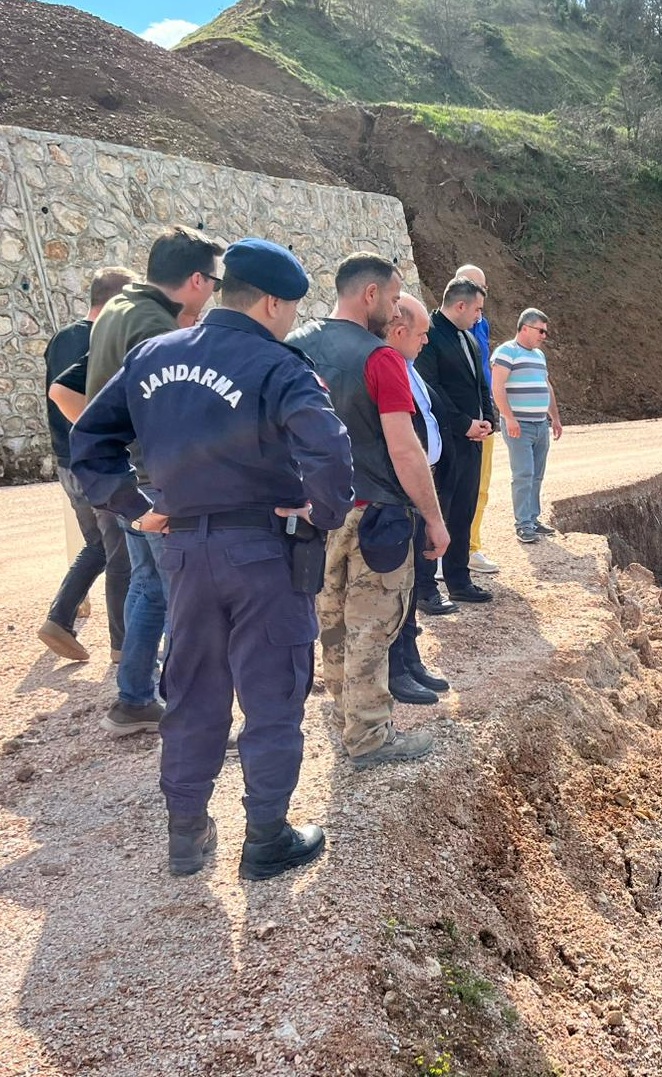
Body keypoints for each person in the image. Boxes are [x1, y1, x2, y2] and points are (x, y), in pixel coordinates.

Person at [69, 237, 355, 881]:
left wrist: (135, 507)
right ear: (274, 302)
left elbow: (89, 441)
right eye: (290, 308)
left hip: (183, 551)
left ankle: (186, 838)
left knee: (193, 694)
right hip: (263, 554)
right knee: (273, 694)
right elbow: (330, 453)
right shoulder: (279, 366)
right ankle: (266, 840)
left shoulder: (153, 354)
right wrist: (320, 513)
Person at [288, 255, 447, 768]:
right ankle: (369, 735)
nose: (398, 307)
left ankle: (345, 724)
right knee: (372, 628)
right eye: (396, 295)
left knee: (330, 622)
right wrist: (435, 518)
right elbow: (404, 450)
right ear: (371, 295)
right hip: (374, 514)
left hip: (313, 515)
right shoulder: (381, 360)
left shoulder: (295, 347)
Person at [84, 226, 225, 738]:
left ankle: (134, 700)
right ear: (194, 279)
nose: (214, 291)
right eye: (213, 280)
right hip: (159, 488)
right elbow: (167, 417)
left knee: (149, 590)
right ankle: (193, 717)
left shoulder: (121, 307)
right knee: (187, 605)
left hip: (132, 483)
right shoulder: (153, 327)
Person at [38, 266, 135, 662]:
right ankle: (123, 646)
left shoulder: (62, 337)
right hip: (96, 460)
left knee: (98, 544)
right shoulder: (104, 338)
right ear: (119, 301)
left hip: (66, 461)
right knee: (122, 554)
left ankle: (59, 618)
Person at [382, 296, 455, 706]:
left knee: (411, 586)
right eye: (423, 333)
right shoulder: (385, 367)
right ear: (399, 331)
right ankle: (396, 667)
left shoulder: (408, 368)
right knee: (396, 589)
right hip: (398, 492)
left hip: (417, 487)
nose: (427, 341)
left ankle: (410, 659)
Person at [414, 277, 494, 611]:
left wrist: (487, 419)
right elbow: (431, 389)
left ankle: (459, 581)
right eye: (476, 309)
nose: (479, 316)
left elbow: (479, 385)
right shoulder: (429, 336)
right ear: (460, 305)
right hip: (446, 441)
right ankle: (425, 588)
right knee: (436, 511)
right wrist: (464, 425)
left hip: (474, 440)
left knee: (463, 509)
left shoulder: (469, 338)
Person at [492, 308, 563, 543]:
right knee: (523, 474)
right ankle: (523, 524)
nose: (544, 335)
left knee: (537, 475)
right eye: (540, 330)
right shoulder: (506, 352)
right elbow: (498, 387)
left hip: (540, 424)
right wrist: (509, 417)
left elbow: (547, 387)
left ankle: (533, 519)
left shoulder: (539, 356)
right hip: (519, 425)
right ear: (525, 328)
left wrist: (555, 417)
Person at [457, 263, 499, 577]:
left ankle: (471, 546)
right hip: (460, 419)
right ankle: (453, 551)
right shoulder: (442, 328)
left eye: (482, 288)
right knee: (456, 487)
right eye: (473, 286)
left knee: (481, 488)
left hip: (484, 415)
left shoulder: (481, 325)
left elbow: (484, 369)